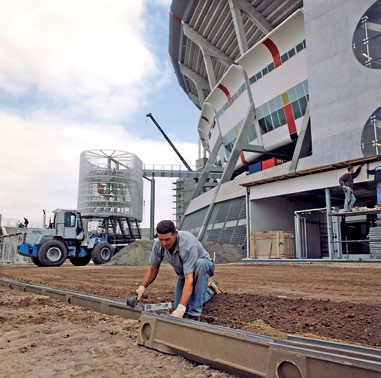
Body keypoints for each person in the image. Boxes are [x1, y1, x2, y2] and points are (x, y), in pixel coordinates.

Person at [135, 220, 221, 319]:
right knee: (180, 306)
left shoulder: (188, 244)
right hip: (184, 274)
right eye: (161, 239)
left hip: (203, 267)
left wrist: (181, 310)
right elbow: (153, 269)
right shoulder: (158, 244)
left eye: (167, 239)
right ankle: (210, 290)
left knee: (200, 264)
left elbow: (189, 280)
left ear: (175, 233)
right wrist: (141, 288)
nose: (164, 243)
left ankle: (194, 313)